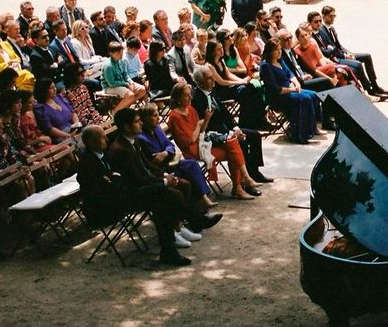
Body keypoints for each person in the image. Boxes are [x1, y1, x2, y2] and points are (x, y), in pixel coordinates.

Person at [78, 123, 190, 267]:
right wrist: (114, 179)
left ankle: (169, 248)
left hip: (122, 195)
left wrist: (114, 179)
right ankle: (188, 221)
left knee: (161, 199)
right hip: (105, 208)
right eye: (102, 137)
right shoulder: (87, 163)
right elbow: (104, 190)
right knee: (161, 192)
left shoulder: (103, 153)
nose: (106, 139)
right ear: (91, 142)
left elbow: (117, 179)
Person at [168, 80, 260, 199]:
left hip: (202, 142)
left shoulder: (190, 109)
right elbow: (188, 141)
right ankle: (241, 183)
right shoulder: (174, 116)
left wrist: (206, 118)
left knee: (232, 143)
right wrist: (198, 126)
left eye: (190, 94)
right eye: (186, 95)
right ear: (178, 98)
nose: (190, 97)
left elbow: (202, 130)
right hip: (193, 150)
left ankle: (241, 184)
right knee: (233, 149)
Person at [190, 67, 273, 196]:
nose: (213, 80)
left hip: (227, 130)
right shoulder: (196, 99)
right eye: (209, 78)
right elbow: (204, 125)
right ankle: (244, 185)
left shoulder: (211, 92)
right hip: (213, 136)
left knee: (255, 136)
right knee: (242, 144)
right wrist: (230, 134)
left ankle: (254, 172)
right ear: (200, 82)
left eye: (213, 76)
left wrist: (235, 128)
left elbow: (226, 113)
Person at [136, 103, 219, 210]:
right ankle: (196, 206)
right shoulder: (142, 138)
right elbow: (155, 158)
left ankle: (203, 198)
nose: (159, 118)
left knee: (192, 164)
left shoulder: (158, 129)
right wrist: (167, 153)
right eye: (155, 115)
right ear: (146, 118)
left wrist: (165, 152)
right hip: (161, 169)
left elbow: (170, 145)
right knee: (184, 175)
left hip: (170, 160)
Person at [315, 5, 388, 98]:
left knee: (367, 56)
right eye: (331, 16)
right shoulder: (322, 30)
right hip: (336, 57)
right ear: (324, 16)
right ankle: (369, 90)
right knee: (357, 64)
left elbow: (338, 45)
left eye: (334, 16)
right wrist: (345, 56)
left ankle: (374, 85)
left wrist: (348, 53)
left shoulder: (332, 28)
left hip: (341, 53)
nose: (333, 18)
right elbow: (332, 49)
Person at [259, 39, 322, 144]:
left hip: (290, 89)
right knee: (305, 98)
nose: (279, 52)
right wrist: (293, 89)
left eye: (280, 49)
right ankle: (301, 134)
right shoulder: (266, 66)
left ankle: (311, 127)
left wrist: (296, 83)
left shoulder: (280, 60)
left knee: (314, 95)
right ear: (270, 52)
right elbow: (275, 89)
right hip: (278, 97)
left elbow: (289, 73)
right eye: (276, 50)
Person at [204, 39, 267, 130]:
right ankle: (244, 124)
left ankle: (257, 120)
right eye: (218, 49)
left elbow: (229, 75)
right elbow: (221, 81)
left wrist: (243, 80)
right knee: (244, 91)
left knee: (251, 88)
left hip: (228, 87)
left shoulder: (221, 61)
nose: (222, 50)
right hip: (220, 91)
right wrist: (240, 82)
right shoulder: (209, 65)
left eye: (221, 48)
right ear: (212, 52)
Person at [294, 22, 355, 86]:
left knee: (339, 74)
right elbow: (312, 70)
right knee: (337, 68)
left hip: (321, 68)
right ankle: (337, 70)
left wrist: (330, 65)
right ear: (298, 38)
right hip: (314, 72)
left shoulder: (312, 42)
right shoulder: (297, 51)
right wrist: (331, 75)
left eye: (306, 35)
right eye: (302, 37)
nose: (305, 38)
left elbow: (320, 58)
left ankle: (351, 87)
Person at [278, 29, 335, 93]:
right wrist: (302, 78)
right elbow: (288, 76)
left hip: (306, 77)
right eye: (286, 39)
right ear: (280, 42)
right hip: (297, 84)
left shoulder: (291, 50)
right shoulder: (280, 56)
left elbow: (308, 68)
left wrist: (329, 78)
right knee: (325, 82)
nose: (289, 41)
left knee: (329, 78)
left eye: (290, 37)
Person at [101, 42, 147, 113]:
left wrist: (130, 82)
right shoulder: (108, 66)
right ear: (111, 53)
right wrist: (125, 84)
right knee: (130, 95)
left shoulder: (121, 61)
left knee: (142, 90)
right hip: (110, 87)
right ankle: (114, 112)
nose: (120, 55)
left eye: (121, 52)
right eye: (118, 53)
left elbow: (125, 75)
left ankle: (125, 108)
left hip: (123, 83)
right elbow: (111, 83)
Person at [62, 63, 106, 127]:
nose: (83, 75)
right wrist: (97, 124)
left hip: (91, 119)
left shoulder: (83, 87)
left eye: (83, 72)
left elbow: (91, 107)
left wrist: (100, 120)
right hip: (82, 125)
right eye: (79, 74)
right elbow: (79, 117)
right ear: (72, 76)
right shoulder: (67, 94)